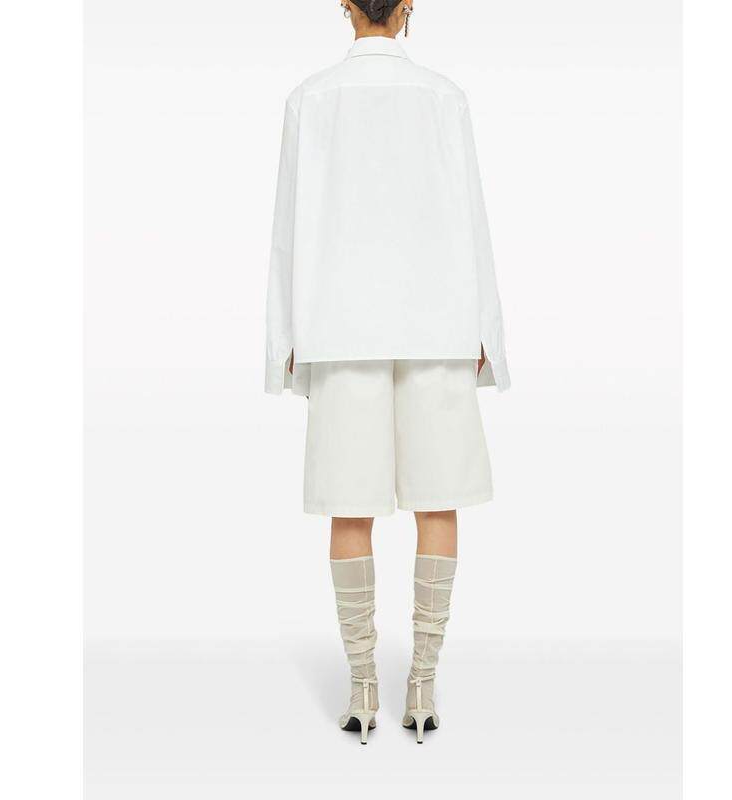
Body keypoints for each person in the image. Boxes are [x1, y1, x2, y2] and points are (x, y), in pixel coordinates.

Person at [264, 0, 509, 744]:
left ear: (345, 7)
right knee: (439, 500)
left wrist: (284, 340)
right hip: (439, 323)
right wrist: (486, 332)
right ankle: (422, 687)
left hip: (339, 328)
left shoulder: (310, 98)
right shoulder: (445, 96)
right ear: (408, 9)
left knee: (350, 508)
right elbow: (472, 219)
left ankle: (363, 688)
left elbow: (287, 233)